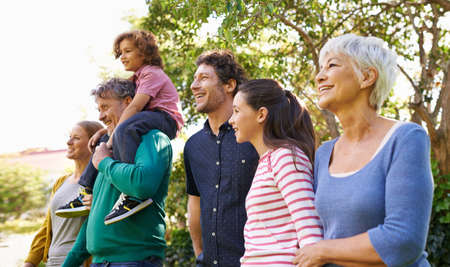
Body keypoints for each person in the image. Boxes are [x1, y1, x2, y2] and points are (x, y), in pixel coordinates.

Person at [293, 34, 434, 267]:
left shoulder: (406, 139)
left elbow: (403, 240)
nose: (319, 77)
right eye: (320, 68)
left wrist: (322, 251)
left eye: (332, 65)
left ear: (367, 77)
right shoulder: (324, 153)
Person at [57, 30, 183, 225]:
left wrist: (114, 134)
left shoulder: (152, 73)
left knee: (124, 129)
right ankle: (85, 193)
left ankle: (132, 193)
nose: (122, 57)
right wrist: (103, 132)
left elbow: (134, 107)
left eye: (128, 51)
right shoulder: (136, 79)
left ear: (144, 52)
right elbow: (127, 117)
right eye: (120, 53)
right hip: (147, 117)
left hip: (166, 118)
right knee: (104, 140)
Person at [62, 78, 172, 267]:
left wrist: (104, 162)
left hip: (133, 260)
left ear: (129, 102)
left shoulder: (152, 138)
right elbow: (97, 212)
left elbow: (142, 184)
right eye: (98, 109)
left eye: (105, 107)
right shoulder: (108, 148)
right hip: (100, 261)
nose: (101, 116)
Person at [229, 79, 323, 266]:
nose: (231, 120)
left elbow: (310, 232)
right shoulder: (268, 161)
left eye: (237, 111)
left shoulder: (286, 157)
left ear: (261, 114)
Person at [184, 50, 259, 266]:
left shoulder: (255, 135)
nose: (194, 85)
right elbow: (195, 202)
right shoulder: (193, 146)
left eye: (204, 78)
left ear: (229, 85)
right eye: (194, 78)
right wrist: (200, 253)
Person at [24, 120, 103, 267]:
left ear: (93, 143)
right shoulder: (61, 182)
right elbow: (47, 227)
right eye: (69, 137)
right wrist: (30, 262)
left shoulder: (101, 181)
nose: (68, 142)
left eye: (76, 138)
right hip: (53, 263)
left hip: (82, 262)